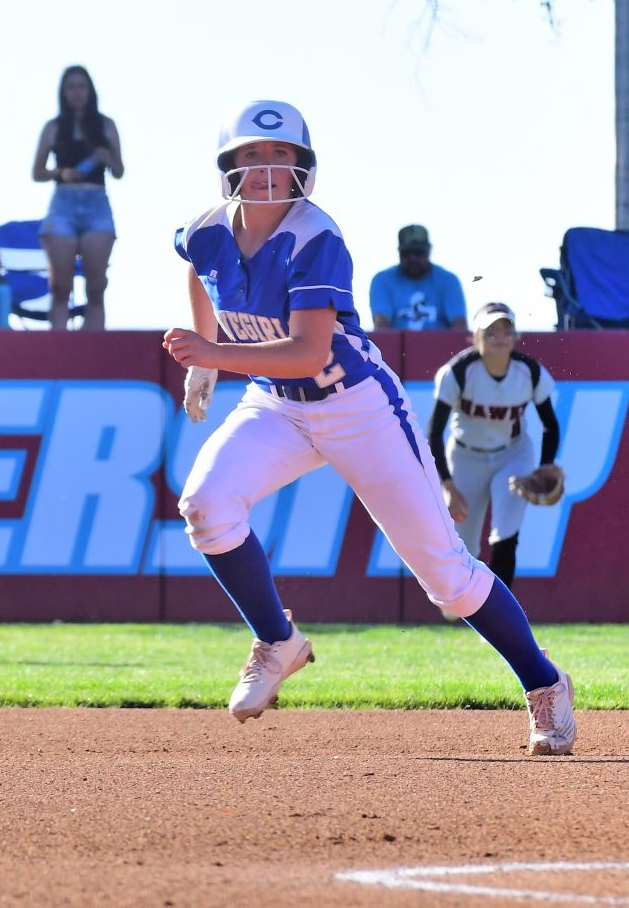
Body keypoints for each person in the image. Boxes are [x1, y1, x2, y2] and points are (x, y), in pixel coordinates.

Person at [163, 100, 574, 755]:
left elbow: (306, 351)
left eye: (279, 156)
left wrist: (212, 355)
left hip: (355, 405)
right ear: (227, 166)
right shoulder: (207, 228)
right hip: (277, 404)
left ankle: (545, 683)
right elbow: (197, 264)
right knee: (206, 506)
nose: (266, 169)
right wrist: (206, 361)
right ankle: (278, 640)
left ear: (304, 166)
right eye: (251, 155)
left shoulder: (315, 236)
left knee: (448, 576)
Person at [430, 302, 561, 601]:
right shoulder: (458, 372)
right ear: (476, 336)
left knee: (506, 533)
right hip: (465, 455)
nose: (500, 337)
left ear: (516, 336)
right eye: (491, 331)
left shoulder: (529, 371)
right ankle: (463, 605)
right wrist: (447, 485)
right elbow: (435, 432)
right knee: (464, 543)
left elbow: (550, 425)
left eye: (506, 330)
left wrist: (545, 465)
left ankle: (499, 616)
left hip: (513, 453)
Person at [30, 66, 124, 330]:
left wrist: (108, 158)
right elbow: (37, 172)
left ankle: (93, 341)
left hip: (96, 202)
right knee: (60, 285)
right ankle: (59, 341)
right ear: (63, 92)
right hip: (64, 202)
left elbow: (119, 171)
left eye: (82, 86)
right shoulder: (53, 127)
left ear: (90, 90)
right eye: (71, 87)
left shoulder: (105, 125)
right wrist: (61, 172)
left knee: (95, 285)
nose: (77, 92)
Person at [368, 225, 468, 331]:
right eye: (406, 253)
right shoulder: (382, 281)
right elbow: (382, 329)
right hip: (395, 348)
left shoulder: (449, 281)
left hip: (443, 347)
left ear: (429, 250)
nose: (413, 258)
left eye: (418, 252)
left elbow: (460, 328)